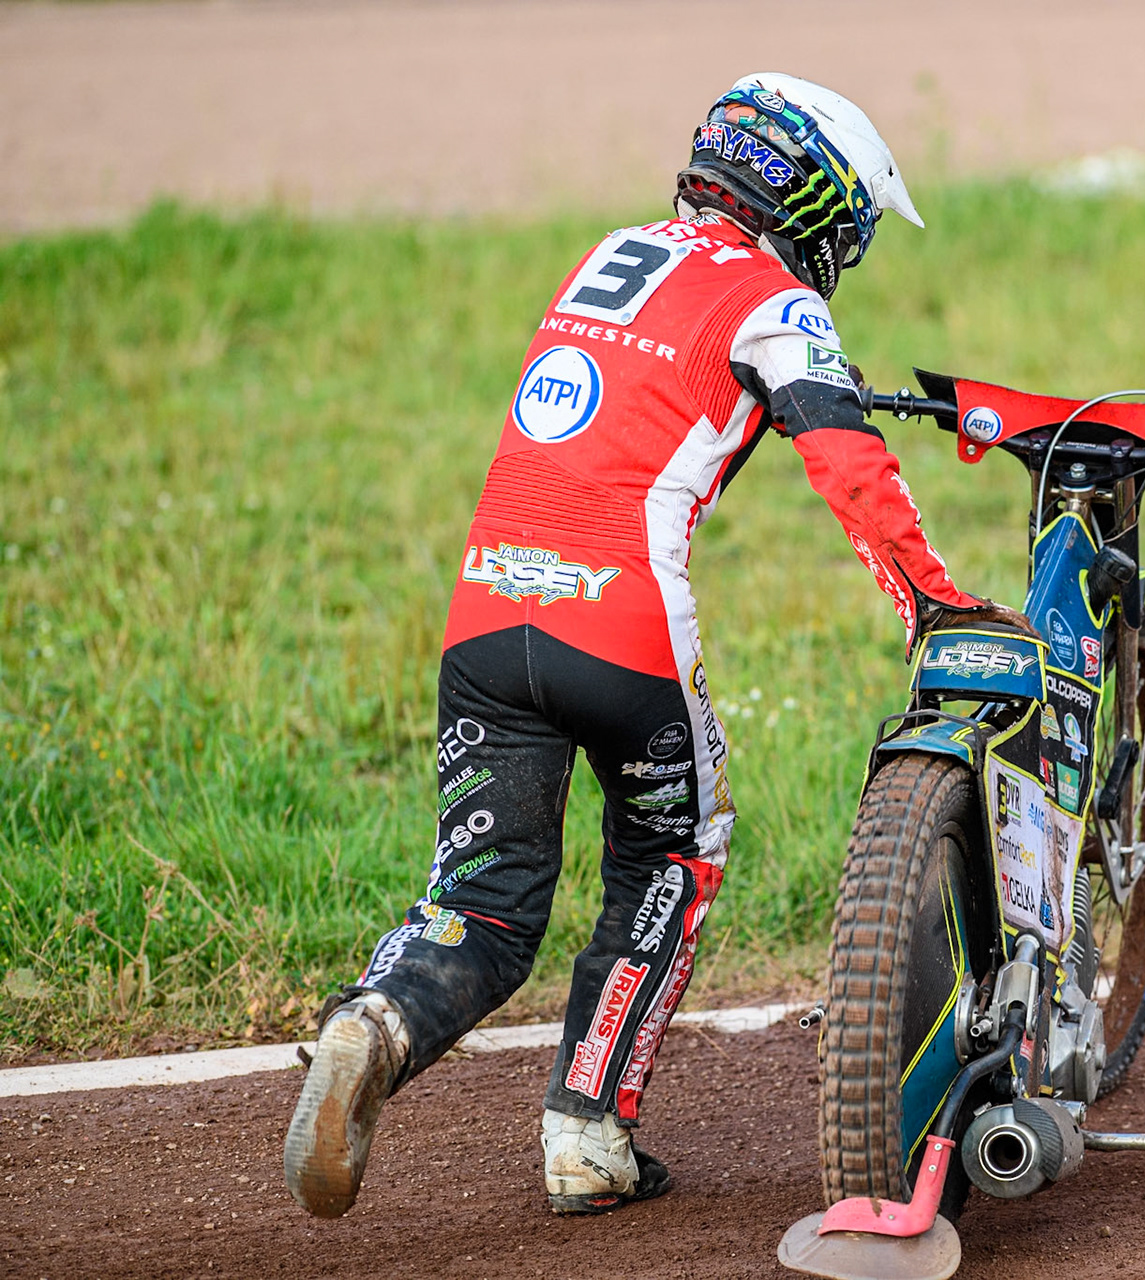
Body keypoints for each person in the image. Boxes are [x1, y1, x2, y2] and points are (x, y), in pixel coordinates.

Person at [283, 72, 1027, 1219]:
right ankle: (589, 1130)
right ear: (817, 200)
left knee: (483, 901)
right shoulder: (778, 301)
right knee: (676, 848)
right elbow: (850, 463)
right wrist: (933, 601)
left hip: (486, 614)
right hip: (623, 623)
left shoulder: (606, 256)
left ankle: (372, 1020)